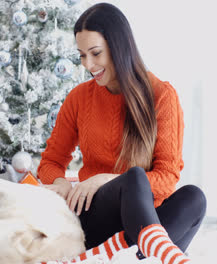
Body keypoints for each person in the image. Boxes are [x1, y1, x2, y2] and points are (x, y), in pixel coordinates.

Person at [37, 3, 206, 264]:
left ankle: (120, 255)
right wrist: (60, 183)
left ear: (119, 46)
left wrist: (106, 178)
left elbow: (167, 177)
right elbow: (51, 161)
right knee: (134, 178)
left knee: (194, 198)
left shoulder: (162, 96)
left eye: (95, 53)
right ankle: (152, 254)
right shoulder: (80, 97)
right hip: (96, 215)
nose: (88, 65)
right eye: (82, 55)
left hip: (144, 218)